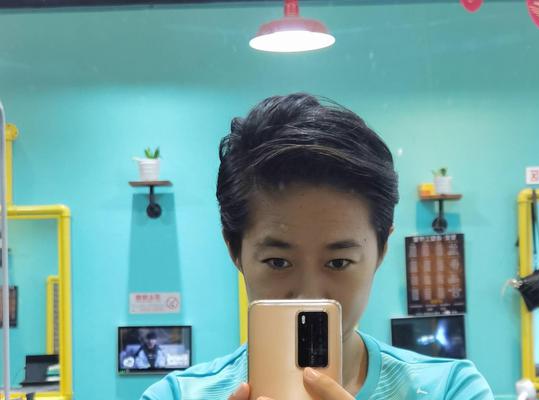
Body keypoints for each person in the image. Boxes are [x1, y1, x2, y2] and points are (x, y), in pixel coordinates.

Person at [141, 93, 493, 399]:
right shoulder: (173, 396)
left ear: (381, 249)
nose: (309, 295)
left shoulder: (451, 390)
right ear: (235, 251)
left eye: (338, 262)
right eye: (278, 262)